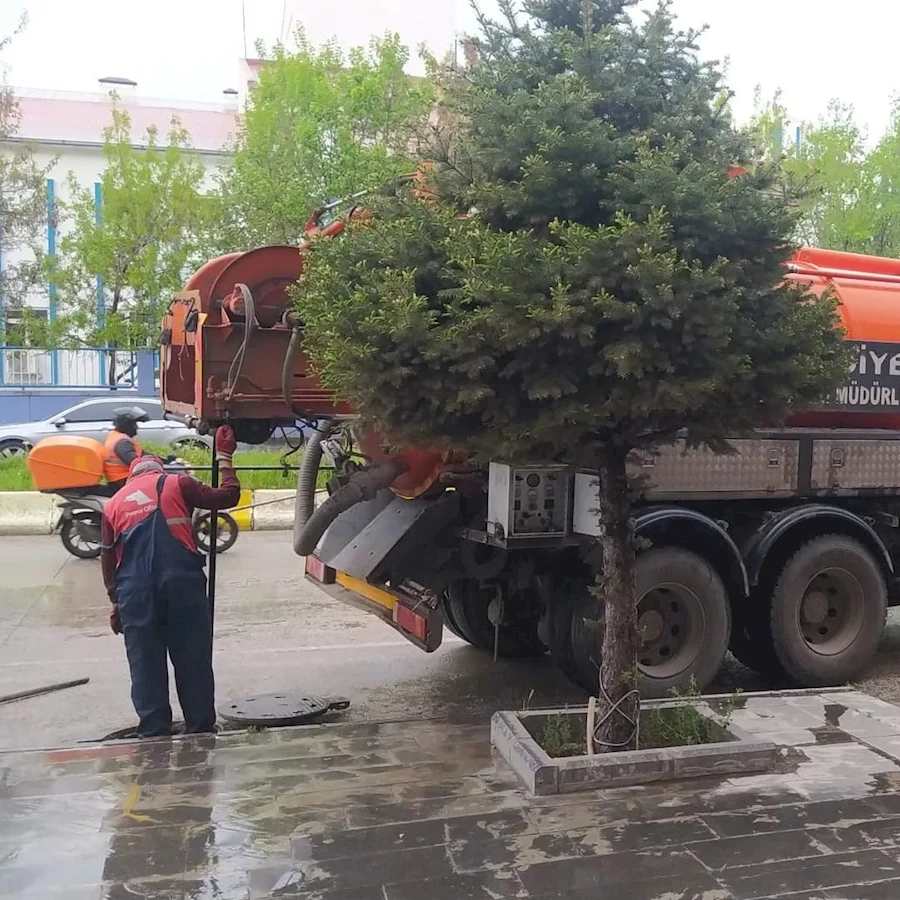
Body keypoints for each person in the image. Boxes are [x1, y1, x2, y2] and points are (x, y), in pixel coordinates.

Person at [101, 425, 240, 738]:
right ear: (159, 469)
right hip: (182, 585)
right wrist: (224, 457)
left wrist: (116, 604)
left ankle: (154, 733)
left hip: (135, 594)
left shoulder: (113, 504)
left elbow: (108, 563)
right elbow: (228, 496)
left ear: (131, 476)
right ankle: (200, 729)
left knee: (145, 664)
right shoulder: (178, 483)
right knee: (192, 659)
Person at [103, 408, 148, 492]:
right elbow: (135, 462)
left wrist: (165, 460)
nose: (136, 427)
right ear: (127, 425)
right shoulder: (122, 442)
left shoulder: (119, 437)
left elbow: (143, 454)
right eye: (134, 424)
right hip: (122, 480)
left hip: (124, 478)